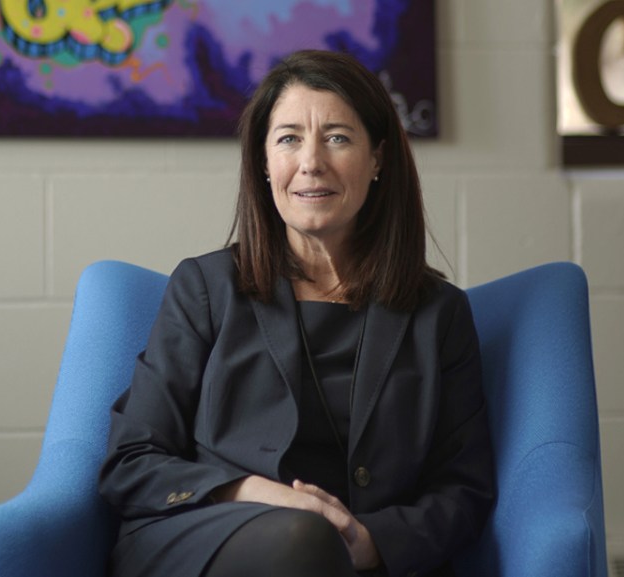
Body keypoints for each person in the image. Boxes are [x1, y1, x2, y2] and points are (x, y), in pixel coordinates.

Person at [99, 49, 494, 577]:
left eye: (337, 137)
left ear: (377, 158)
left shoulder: (440, 314)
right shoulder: (205, 288)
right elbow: (132, 460)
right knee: (302, 539)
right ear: (264, 163)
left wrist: (371, 541)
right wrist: (259, 495)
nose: (311, 161)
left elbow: (463, 487)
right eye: (289, 138)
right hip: (206, 540)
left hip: (360, 556)